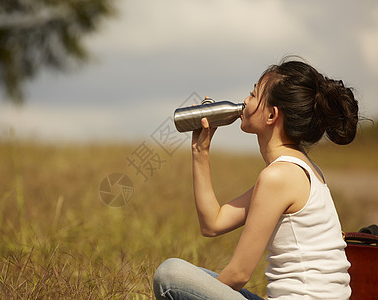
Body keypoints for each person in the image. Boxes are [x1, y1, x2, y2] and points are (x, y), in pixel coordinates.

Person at [153, 57, 359, 300]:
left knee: (170, 274)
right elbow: (213, 223)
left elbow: (239, 274)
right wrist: (200, 151)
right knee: (192, 277)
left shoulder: (280, 176)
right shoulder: (297, 169)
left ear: (272, 115)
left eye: (253, 95)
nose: (245, 102)